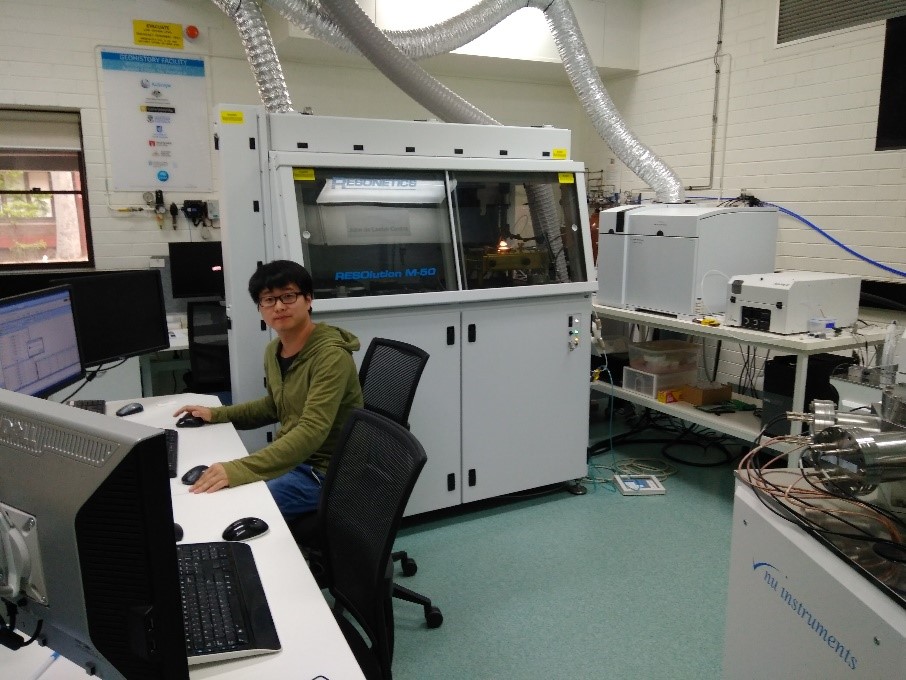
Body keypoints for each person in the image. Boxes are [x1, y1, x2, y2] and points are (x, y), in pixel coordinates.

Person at [174, 259, 363, 518]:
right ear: (260, 308)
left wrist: (239, 469)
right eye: (269, 300)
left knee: (230, 509)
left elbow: (312, 430)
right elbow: (274, 406)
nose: (279, 306)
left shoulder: (331, 356)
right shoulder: (275, 350)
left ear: (308, 300)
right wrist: (217, 414)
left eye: (288, 296)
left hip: (324, 472)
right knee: (210, 493)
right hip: (295, 460)